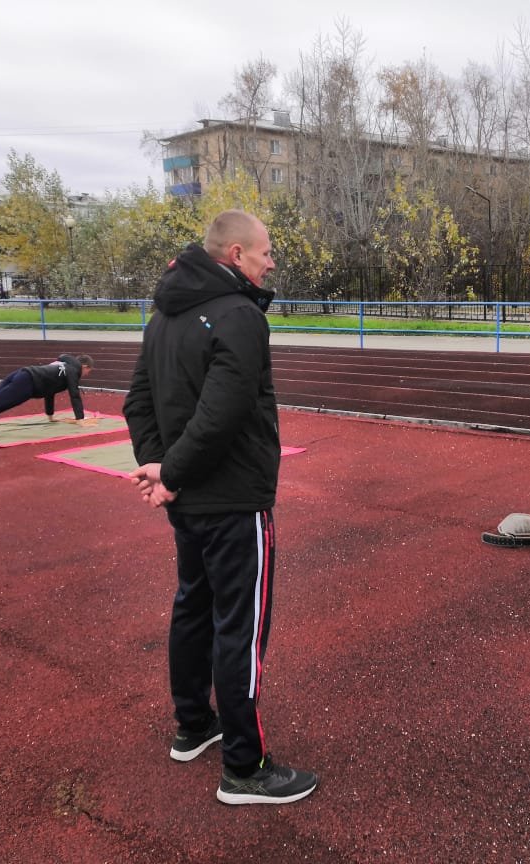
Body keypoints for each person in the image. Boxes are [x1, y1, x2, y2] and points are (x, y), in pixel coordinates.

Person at [123, 209, 318, 806]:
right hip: (232, 499)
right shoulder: (239, 317)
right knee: (241, 627)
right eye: (265, 252)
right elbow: (223, 414)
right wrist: (173, 474)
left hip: (189, 500)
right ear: (235, 255)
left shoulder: (163, 315)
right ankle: (245, 766)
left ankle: (193, 724)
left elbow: (138, 402)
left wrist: (162, 472)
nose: (271, 261)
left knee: (194, 604)